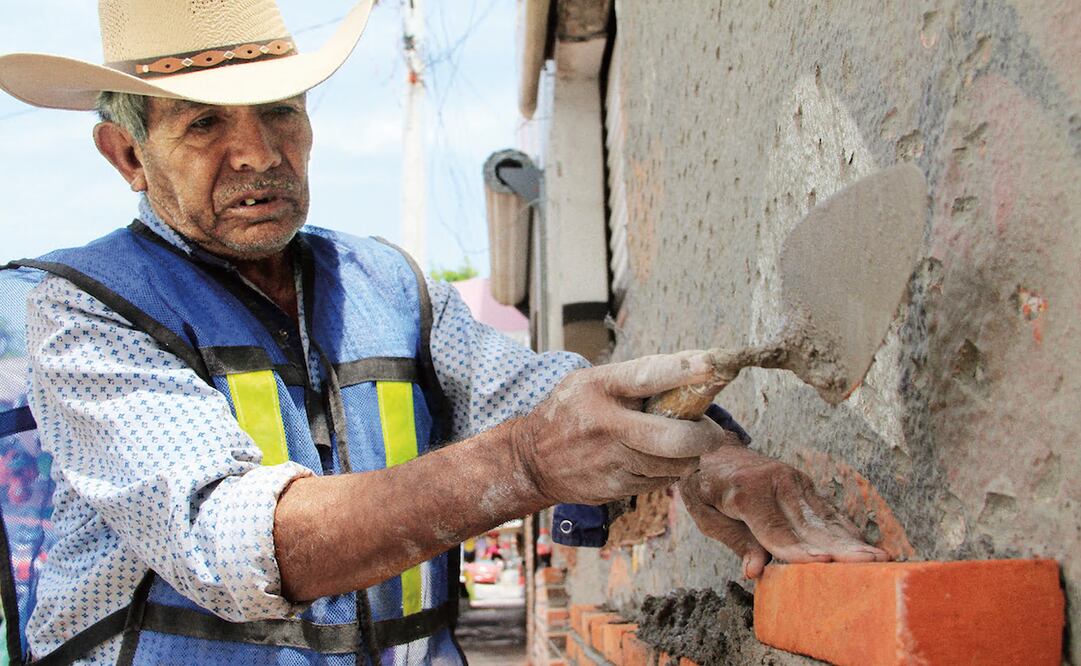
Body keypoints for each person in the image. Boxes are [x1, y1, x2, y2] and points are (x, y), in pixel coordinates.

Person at [0, 0, 887, 663]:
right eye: (204, 124)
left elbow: (534, 390)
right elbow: (232, 544)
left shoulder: (386, 281)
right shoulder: (85, 308)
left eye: (281, 111)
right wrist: (525, 464)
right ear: (126, 156)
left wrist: (709, 453)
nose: (262, 154)